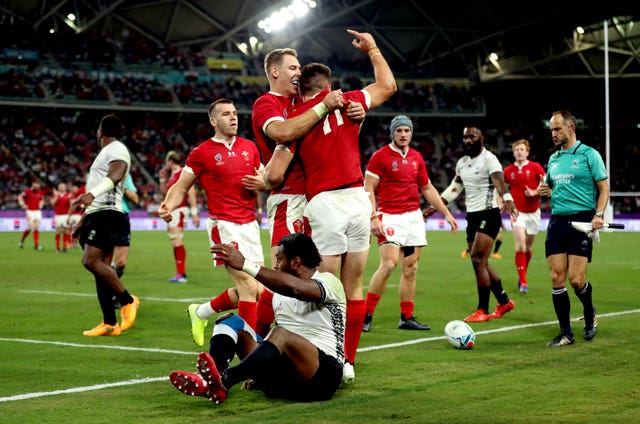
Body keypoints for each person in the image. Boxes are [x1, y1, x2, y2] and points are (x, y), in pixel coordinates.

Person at [279, 29, 397, 382]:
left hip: (325, 201)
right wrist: (373, 46)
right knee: (354, 287)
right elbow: (388, 86)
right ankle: (348, 361)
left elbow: (283, 138)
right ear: (330, 86)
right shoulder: (350, 102)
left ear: (304, 88)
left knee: (323, 287)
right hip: (357, 198)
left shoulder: (299, 113)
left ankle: (325, 356)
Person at [169, 232, 346, 404]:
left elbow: (297, 289)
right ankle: (211, 379)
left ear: (296, 262)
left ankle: (225, 380)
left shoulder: (328, 282)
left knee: (280, 333)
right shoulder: (278, 294)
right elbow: (268, 340)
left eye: (279, 259)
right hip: (287, 380)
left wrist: (246, 264)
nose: (275, 265)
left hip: (322, 379)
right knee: (228, 320)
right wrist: (258, 370)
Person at [158, 98, 266, 344]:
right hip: (224, 225)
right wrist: (168, 205)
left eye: (235, 113)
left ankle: (201, 311)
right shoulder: (202, 152)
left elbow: (264, 178)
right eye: (227, 114)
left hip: (249, 224)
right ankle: (251, 350)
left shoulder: (250, 147)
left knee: (258, 289)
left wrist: (264, 183)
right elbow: (181, 186)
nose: (233, 117)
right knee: (248, 286)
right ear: (214, 121)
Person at [362, 115, 458, 333]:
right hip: (390, 218)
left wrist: (446, 213)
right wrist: (373, 217)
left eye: (407, 131)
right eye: (399, 131)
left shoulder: (416, 158)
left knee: (411, 268)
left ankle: (406, 317)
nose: (403, 134)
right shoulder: (380, 156)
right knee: (388, 265)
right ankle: (366, 314)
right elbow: (368, 188)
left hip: (413, 219)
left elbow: (427, 189)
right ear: (392, 133)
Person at [424, 124, 517, 323]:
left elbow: (499, 181)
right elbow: (455, 189)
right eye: (465, 137)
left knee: (477, 259)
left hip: (489, 214)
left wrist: (507, 198)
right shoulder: (462, 163)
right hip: (472, 217)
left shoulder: (489, 159)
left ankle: (482, 310)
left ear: (481, 138)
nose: (467, 140)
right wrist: (436, 206)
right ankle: (504, 301)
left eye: (471, 137)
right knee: (481, 261)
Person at [537, 110, 608, 347]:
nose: (554, 134)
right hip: (557, 221)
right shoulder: (554, 159)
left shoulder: (590, 155)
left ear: (571, 127)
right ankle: (566, 333)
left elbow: (604, 188)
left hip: (582, 221)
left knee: (576, 280)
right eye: (551, 131)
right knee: (557, 277)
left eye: (557, 129)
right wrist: (544, 191)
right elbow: (548, 187)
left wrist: (598, 215)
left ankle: (589, 313)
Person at [69, 114, 140, 336]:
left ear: (101, 131)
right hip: (98, 213)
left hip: (107, 214)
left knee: (90, 261)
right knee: (102, 270)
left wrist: (90, 194)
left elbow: (117, 175)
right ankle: (110, 323)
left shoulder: (116, 149)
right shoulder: (106, 153)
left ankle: (127, 301)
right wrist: (83, 220)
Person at [503, 139, 546, 293]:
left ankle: (522, 273)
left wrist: (534, 192)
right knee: (520, 244)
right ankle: (523, 281)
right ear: (513, 152)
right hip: (517, 212)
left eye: (522, 149)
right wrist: (501, 202)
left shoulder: (535, 167)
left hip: (534, 212)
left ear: (527, 152)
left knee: (528, 247)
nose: (519, 152)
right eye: (517, 150)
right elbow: (501, 188)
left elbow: (545, 184)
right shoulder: (508, 171)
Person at [159, 150, 201, 283]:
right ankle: (180, 273)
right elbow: (165, 193)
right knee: (174, 240)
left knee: (177, 240)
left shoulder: (183, 173)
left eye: (167, 159)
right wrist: (161, 179)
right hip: (172, 211)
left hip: (180, 210)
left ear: (170, 161)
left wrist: (194, 214)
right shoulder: (172, 175)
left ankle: (181, 274)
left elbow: (191, 193)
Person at [108, 173, 139, 309]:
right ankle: (111, 296)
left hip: (122, 217)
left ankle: (111, 292)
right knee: (105, 262)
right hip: (104, 216)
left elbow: (135, 199)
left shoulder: (126, 176)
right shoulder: (99, 173)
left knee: (120, 263)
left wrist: (123, 187)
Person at [18, 180, 45, 250]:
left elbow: (42, 199)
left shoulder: (40, 192)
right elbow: (20, 197)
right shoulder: (27, 191)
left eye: (38, 184)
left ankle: (36, 245)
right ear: (33, 184)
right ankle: (22, 240)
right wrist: (22, 204)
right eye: (35, 184)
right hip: (29, 211)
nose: (37, 186)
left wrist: (41, 204)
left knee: (36, 227)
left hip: (37, 211)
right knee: (30, 227)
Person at [50, 181, 72, 252]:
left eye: (63, 187)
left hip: (66, 215)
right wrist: (56, 196)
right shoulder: (55, 195)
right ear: (58, 188)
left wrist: (69, 199)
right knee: (58, 231)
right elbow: (52, 203)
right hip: (58, 215)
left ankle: (65, 247)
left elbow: (71, 205)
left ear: (65, 188)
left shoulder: (69, 195)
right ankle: (57, 248)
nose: (61, 188)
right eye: (60, 186)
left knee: (66, 231)